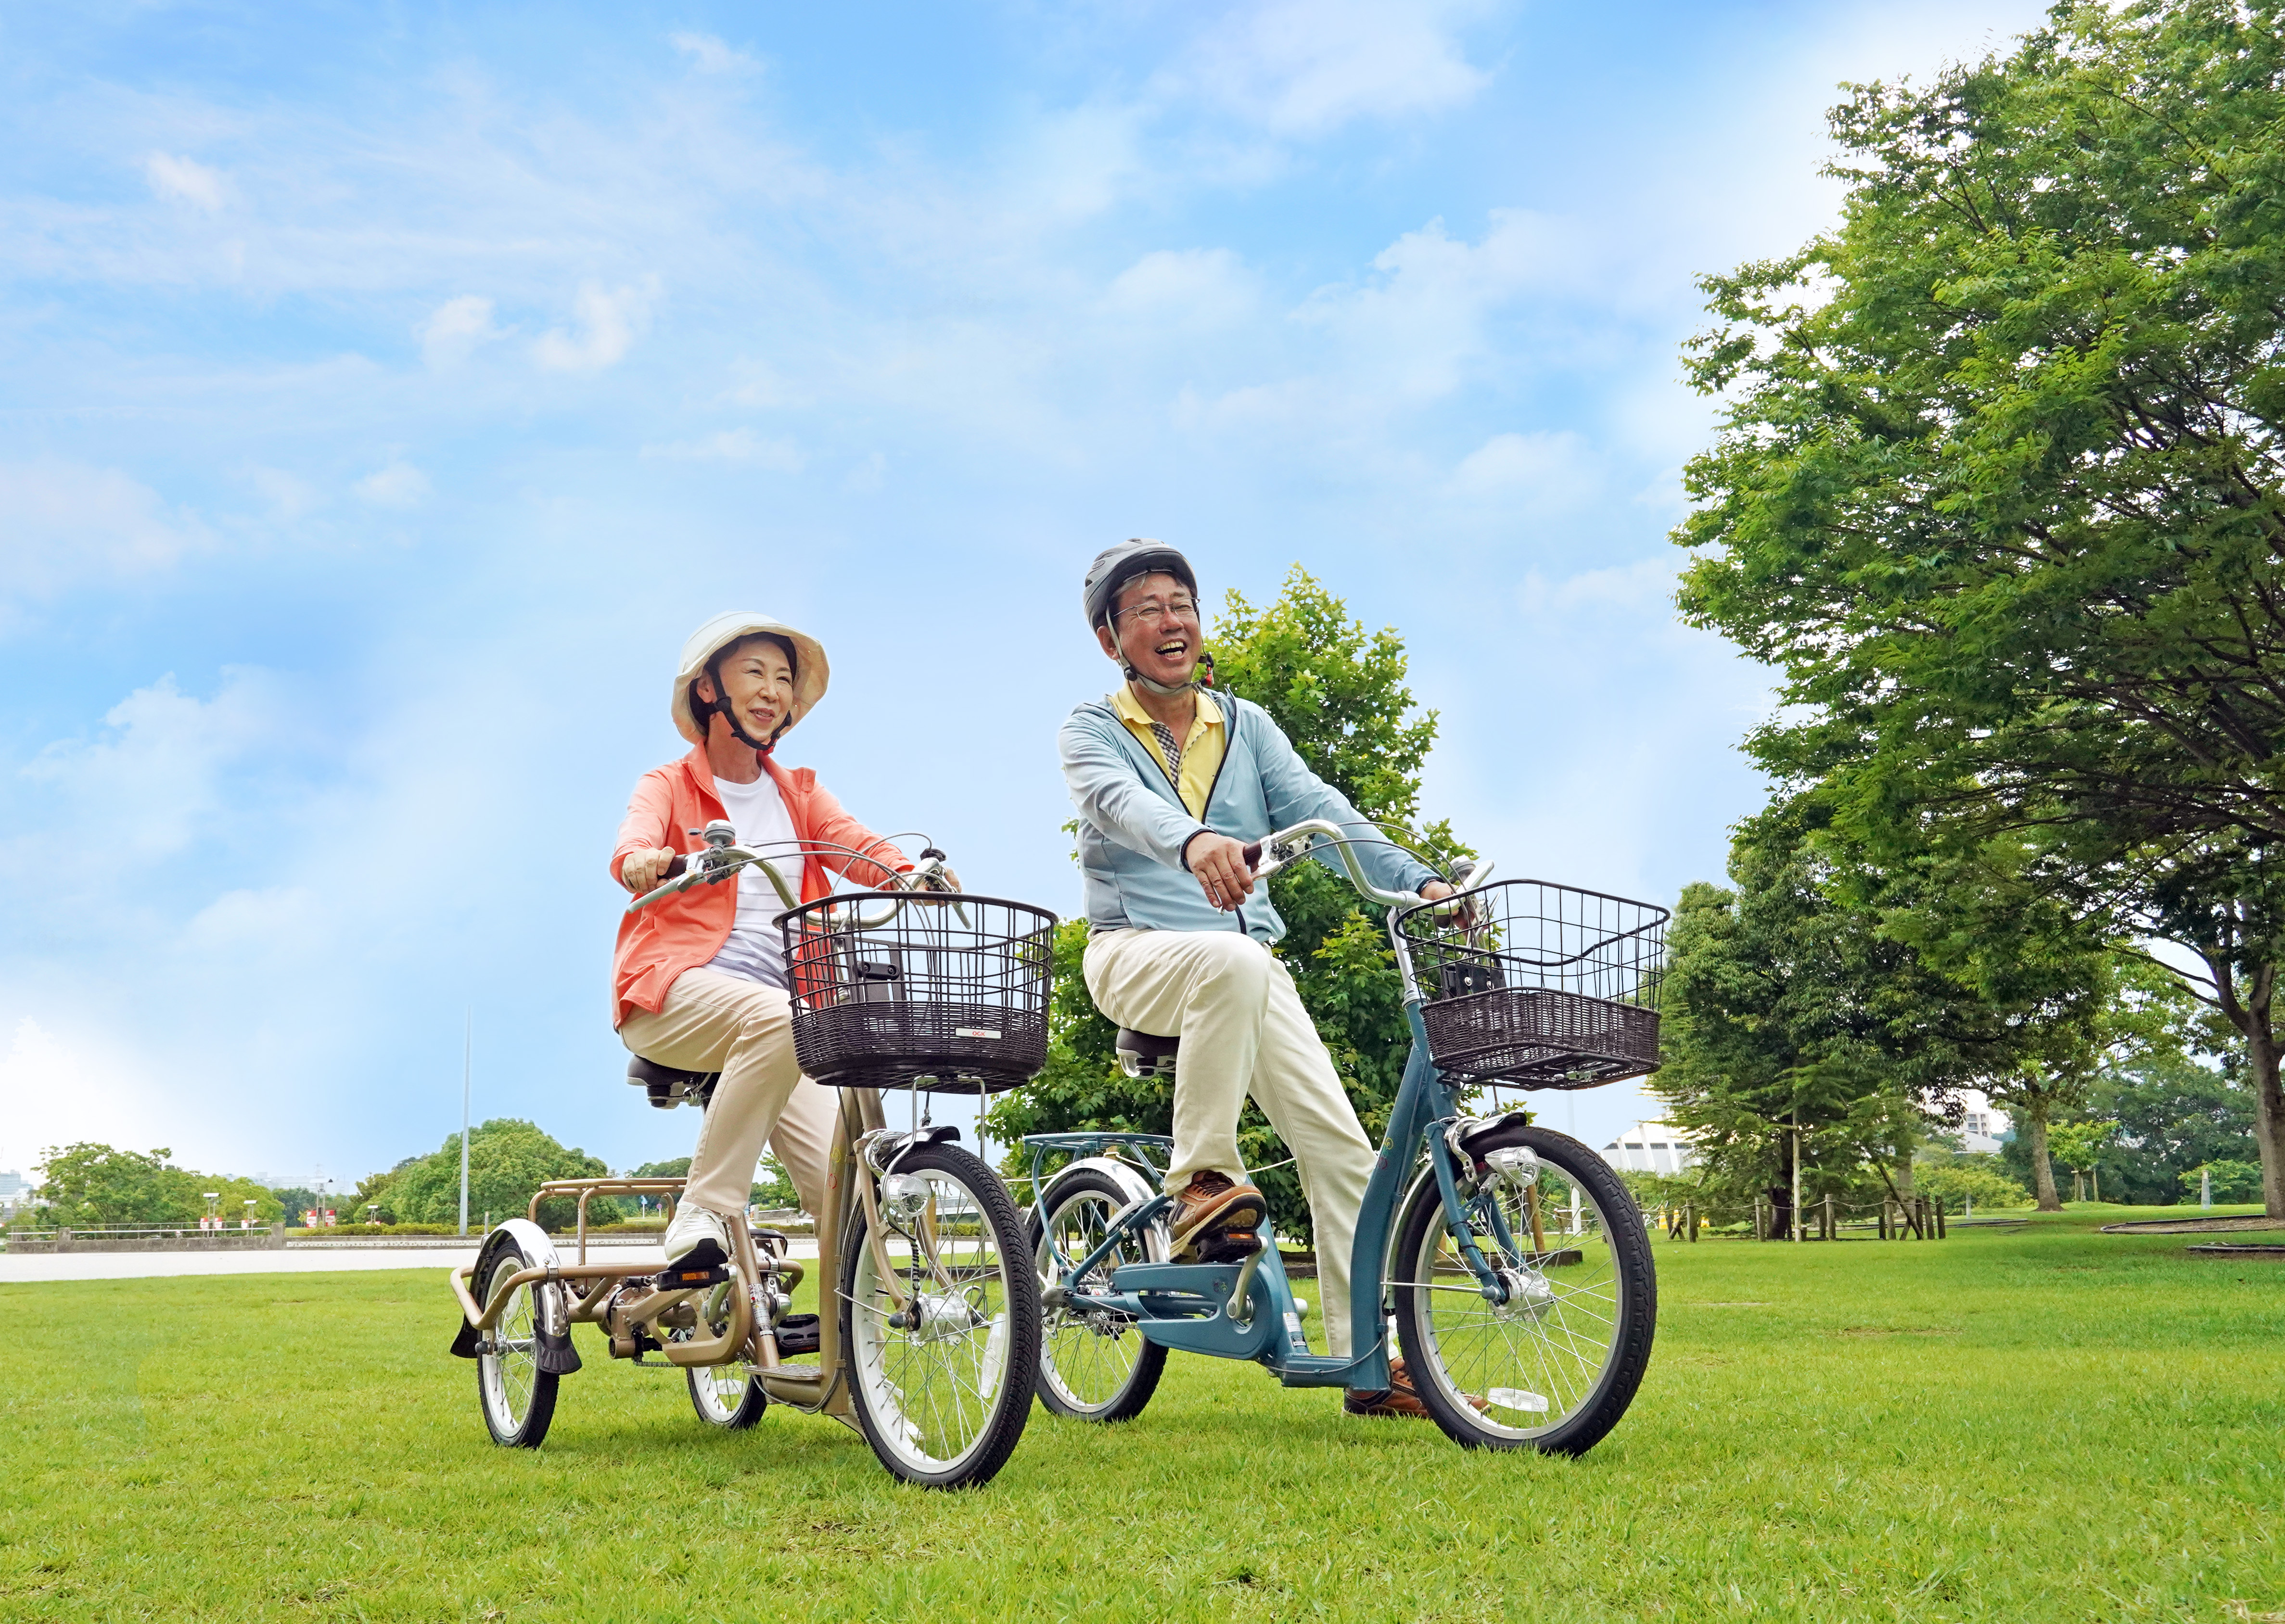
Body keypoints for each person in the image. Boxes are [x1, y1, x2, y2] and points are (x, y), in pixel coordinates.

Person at [1058, 541, 1463, 1420]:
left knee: (1344, 1155)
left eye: (1182, 604)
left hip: (1244, 968)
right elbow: (1118, 806)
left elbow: (1330, 815)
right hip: (1134, 953)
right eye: (1147, 610)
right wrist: (1194, 841)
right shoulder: (1091, 732)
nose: (1172, 622)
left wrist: (1423, 880)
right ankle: (1199, 1182)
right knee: (1233, 960)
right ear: (1111, 640)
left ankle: (1367, 1362)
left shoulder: (1246, 725)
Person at [612, 612, 918, 1269]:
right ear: (707, 689)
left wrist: (911, 873)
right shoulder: (667, 784)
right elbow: (633, 844)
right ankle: (704, 1211)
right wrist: (645, 860)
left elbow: (855, 845)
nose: (772, 690)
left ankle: (855, 1364)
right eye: (753, 672)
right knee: (780, 1020)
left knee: (848, 1194)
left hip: (783, 1016)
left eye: (783, 678)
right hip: (673, 994)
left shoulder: (799, 792)